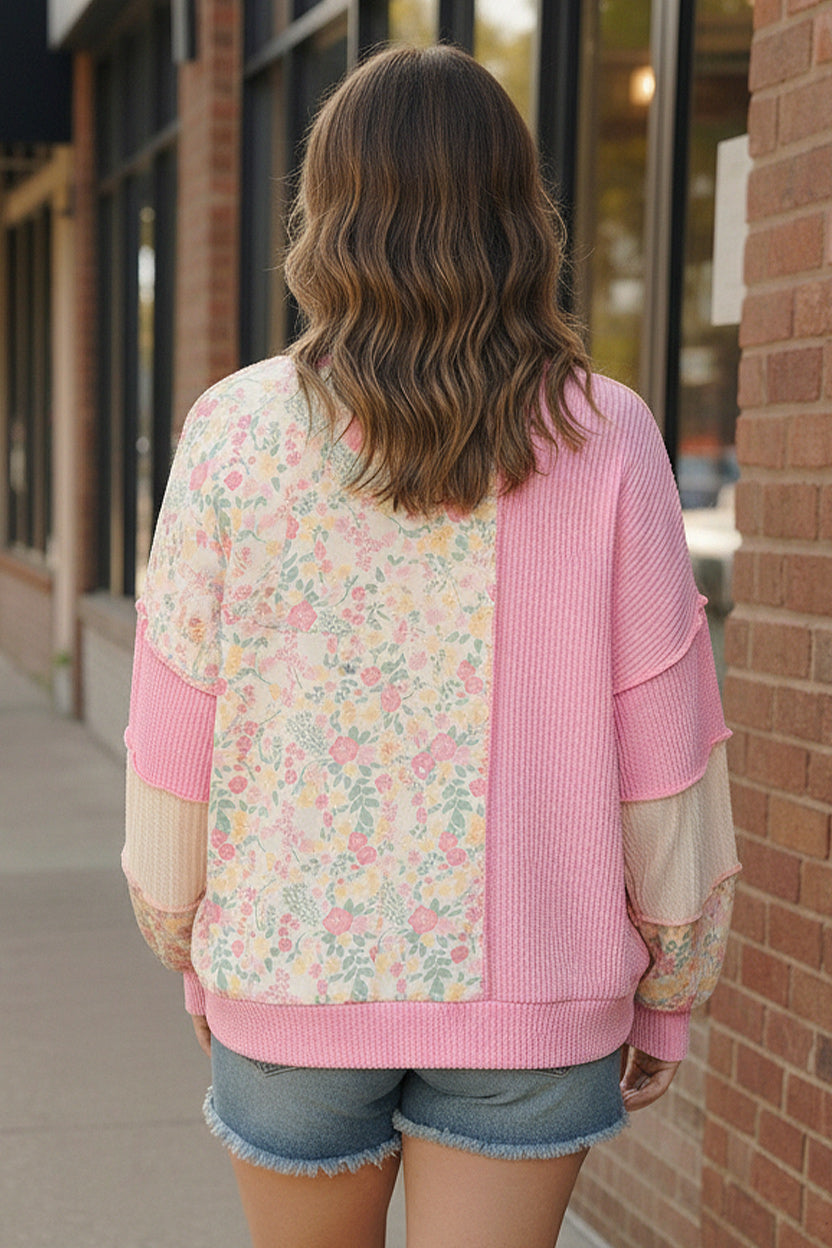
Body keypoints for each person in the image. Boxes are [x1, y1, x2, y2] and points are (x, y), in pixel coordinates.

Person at [123, 44, 739, 1248]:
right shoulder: (606, 433)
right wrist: (671, 984)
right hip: (536, 996)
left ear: (327, 215)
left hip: (290, 980)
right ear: (518, 214)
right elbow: (664, 748)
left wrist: (191, 944)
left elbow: (173, 734)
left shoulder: (231, 432)